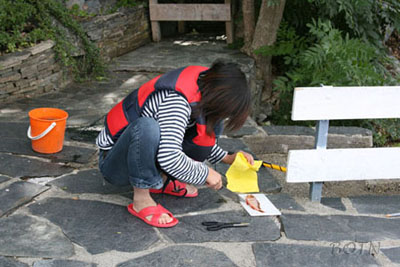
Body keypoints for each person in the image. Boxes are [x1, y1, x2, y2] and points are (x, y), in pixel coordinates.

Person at [96, 60, 254, 228]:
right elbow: (169, 156)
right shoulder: (176, 102)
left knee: (209, 123)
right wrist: (204, 172)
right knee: (147, 127)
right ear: (218, 98)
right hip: (116, 166)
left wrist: (228, 158)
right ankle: (141, 199)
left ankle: (161, 182)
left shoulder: (203, 89)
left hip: (142, 157)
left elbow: (198, 136)